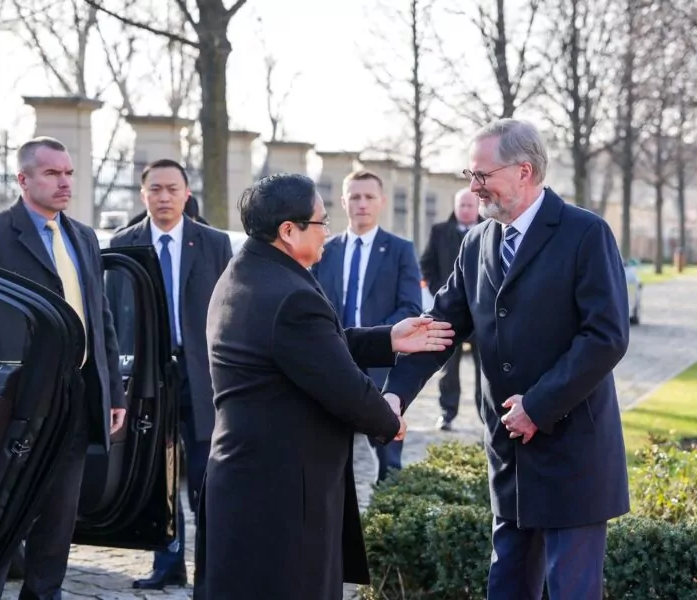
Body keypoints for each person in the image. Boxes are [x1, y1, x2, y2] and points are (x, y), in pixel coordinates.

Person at [382, 119, 631, 600]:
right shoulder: (476, 242)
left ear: (524, 170)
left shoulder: (585, 233)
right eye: (469, 175)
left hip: (572, 455)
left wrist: (538, 405)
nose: (473, 187)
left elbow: (606, 337)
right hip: (510, 457)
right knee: (507, 588)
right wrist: (395, 395)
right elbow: (441, 327)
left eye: (481, 175)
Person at [201, 173, 453, 599]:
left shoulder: (249, 271)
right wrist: (387, 417)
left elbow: (310, 347)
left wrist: (389, 338)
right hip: (281, 497)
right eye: (320, 221)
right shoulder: (289, 296)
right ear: (288, 230)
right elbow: (343, 386)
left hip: (246, 481)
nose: (327, 231)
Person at [0, 136, 126, 600]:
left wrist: (114, 392)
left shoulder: (82, 236)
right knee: (2, 511)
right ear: (23, 179)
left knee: (60, 518)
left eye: (68, 173)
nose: (65, 182)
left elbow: (99, 314)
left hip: (76, 395)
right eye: (52, 173)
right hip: (17, 400)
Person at [108, 159, 232, 590]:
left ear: (186, 194)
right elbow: (114, 317)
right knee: (158, 479)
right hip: (148, 380)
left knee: (205, 479)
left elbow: (232, 310)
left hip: (205, 379)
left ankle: (210, 570)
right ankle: (167, 566)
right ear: (143, 195)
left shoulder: (214, 244)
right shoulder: (124, 243)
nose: (164, 197)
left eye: (172, 189)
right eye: (155, 189)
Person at [312, 169, 422, 483]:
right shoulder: (324, 250)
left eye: (369, 197)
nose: (362, 203)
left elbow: (410, 308)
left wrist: (375, 341)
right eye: (355, 197)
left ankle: (385, 524)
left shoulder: (401, 249)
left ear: (382, 201)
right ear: (343, 202)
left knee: (388, 462)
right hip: (333, 365)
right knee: (328, 458)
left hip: (382, 371)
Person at [420, 188, 484, 430]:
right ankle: (447, 413)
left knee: (486, 367)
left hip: (482, 312)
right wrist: (441, 291)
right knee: (449, 367)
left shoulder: (491, 229)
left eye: (470, 205)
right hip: (450, 313)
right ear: (456, 207)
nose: (466, 209)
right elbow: (427, 264)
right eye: (462, 205)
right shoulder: (439, 232)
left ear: (477, 206)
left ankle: (487, 414)